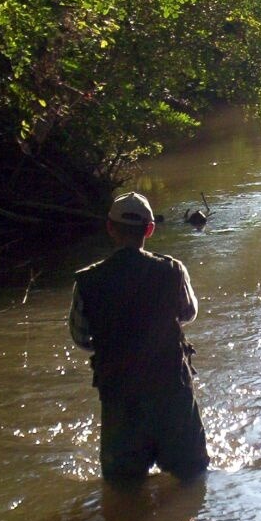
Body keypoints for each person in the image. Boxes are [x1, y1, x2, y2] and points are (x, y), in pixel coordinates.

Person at [69, 192, 210, 484]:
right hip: (172, 392)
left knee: (122, 488)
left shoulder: (87, 280)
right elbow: (188, 313)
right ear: (150, 229)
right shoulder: (172, 269)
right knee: (193, 480)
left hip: (119, 398)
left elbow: (82, 338)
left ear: (110, 228)